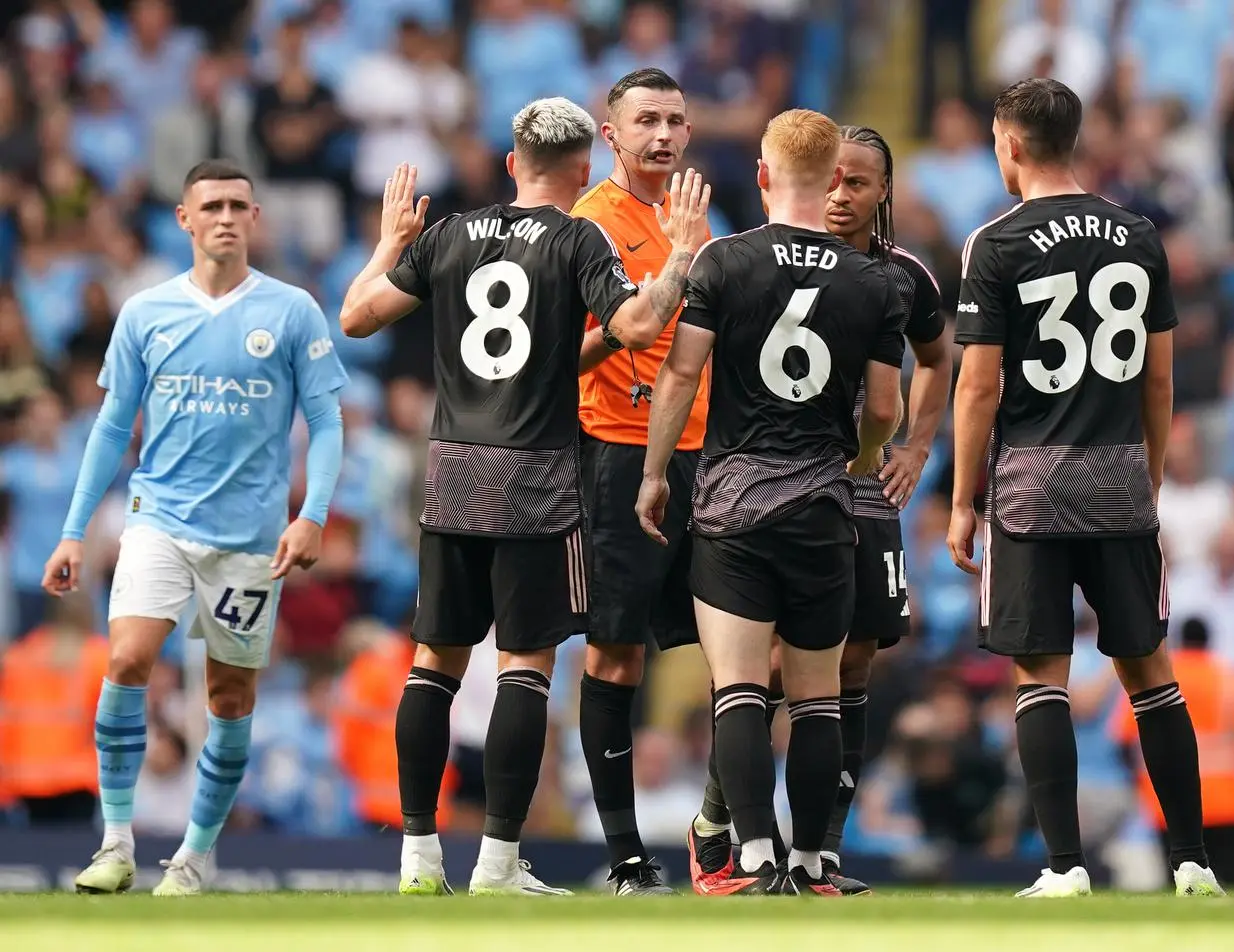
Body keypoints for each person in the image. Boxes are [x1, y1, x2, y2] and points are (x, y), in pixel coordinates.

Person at [338, 97, 709, 897]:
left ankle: (416, 857)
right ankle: (499, 864)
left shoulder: (447, 234)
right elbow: (642, 326)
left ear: (512, 163)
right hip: (535, 475)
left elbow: (356, 317)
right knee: (523, 668)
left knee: (433, 663)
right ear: (583, 169)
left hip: (452, 471)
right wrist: (679, 257)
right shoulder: (580, 235)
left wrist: (385, 244)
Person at [946, 77, 1224, 898]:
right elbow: (1160, 380)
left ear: (1011, 146)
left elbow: (978, 388)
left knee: (1041, 678)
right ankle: (1195, 862)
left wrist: (963, 500)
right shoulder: (1139, 235)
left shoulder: (994, 243)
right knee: (1150, 672)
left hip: (1030, 486)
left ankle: (1064, 867)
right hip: (1119, 479)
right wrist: (1150, 477)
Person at [43, 159, 349, 896]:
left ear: (254, 218)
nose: (225, 216)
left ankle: (194, 855)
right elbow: (113, 425)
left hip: (249, 540)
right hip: (159, 520)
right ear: (183, 217)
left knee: (230, 699)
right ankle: (116, 841)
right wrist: (74, 529)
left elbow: (328, 420)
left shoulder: (292, 310)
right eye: (210, 204)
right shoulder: (146, 312)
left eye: (238, 205)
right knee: (125, 662)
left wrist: (312, 516)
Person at [637, 108, 905, 895]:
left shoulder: (724, 261)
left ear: (762, 175)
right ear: (831, 182)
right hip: (825, 507)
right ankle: (815, 862)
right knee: (819, 694)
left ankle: (751, 857)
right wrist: (851, 459)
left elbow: (681, 376)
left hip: (733, 505)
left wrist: (655, 475)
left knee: (742, 689)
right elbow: (885, 409)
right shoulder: (874, 282)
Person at [688, 124, 953, 896]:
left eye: (859, 183)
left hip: (863, 484)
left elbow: (938, 359)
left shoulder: (902, 274)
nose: (842, 195)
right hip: (785, 483)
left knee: (856, 656)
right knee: (768, 663)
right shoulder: (777, 261)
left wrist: (916, 446)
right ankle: (725, 819)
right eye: (833, 180)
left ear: (882, 193)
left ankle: (821, 853)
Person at [571, 66, 710, 896]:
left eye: (676, 121)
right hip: (619, 450)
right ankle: (625, 853)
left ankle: (727, 838)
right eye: (647, 121)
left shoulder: (689, 217)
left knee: (741, 651)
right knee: (615, 653)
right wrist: (642, 320)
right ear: (610, 133)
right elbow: (572, 351)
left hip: (707, 454)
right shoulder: (591, 223)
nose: (663, 135)